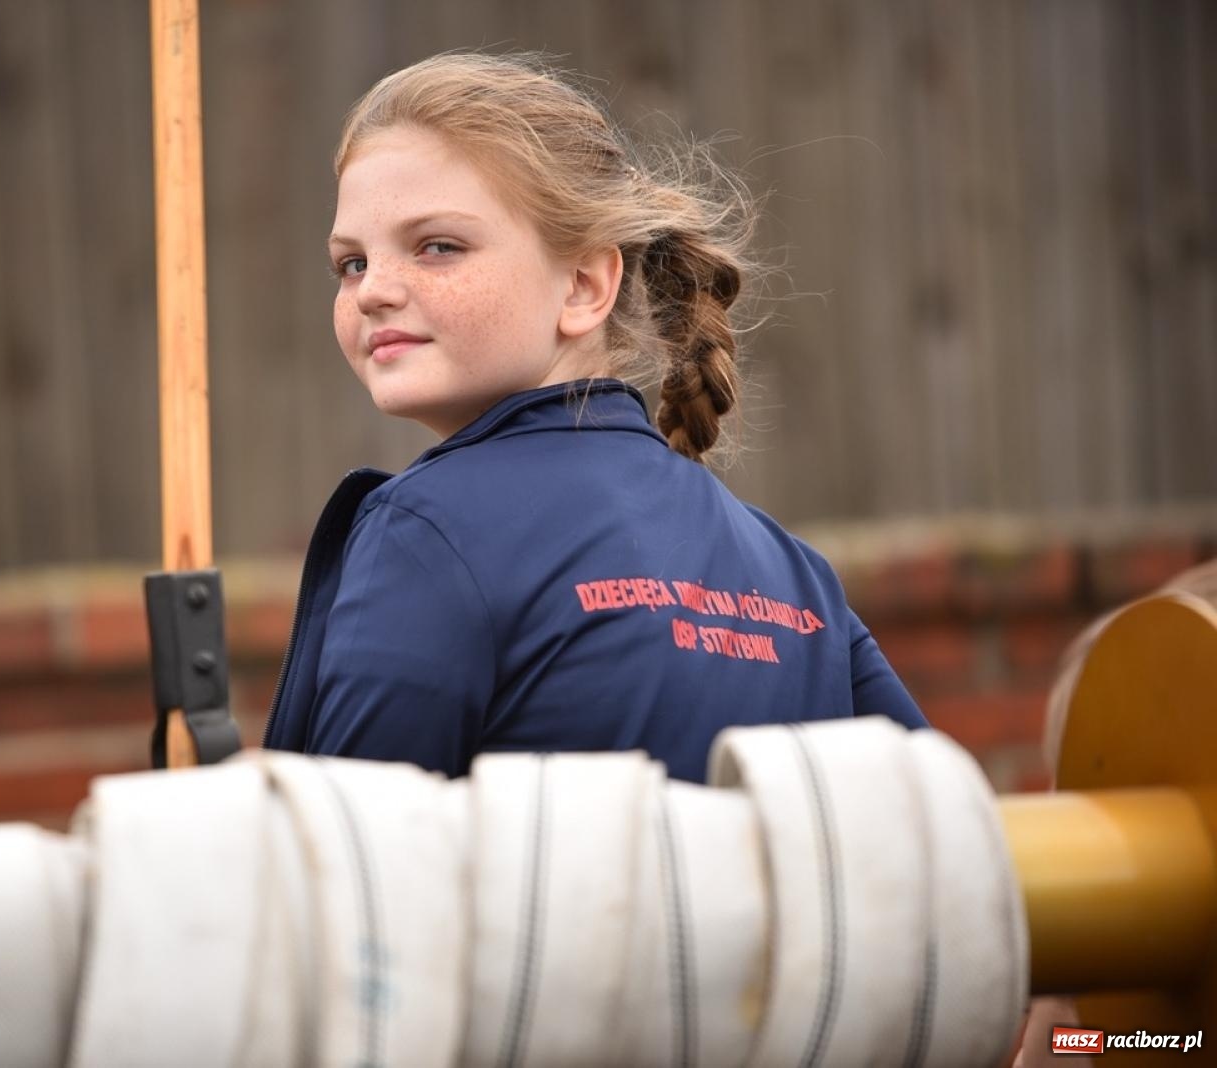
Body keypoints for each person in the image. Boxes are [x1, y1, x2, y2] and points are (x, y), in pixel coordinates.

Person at [262, 52, 926, 782]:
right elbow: (932, 823)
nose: (372, 291)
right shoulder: (794, 577)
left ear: (584, 285)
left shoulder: (426, 531)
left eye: (438, 247)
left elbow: (347, 859)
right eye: (350, 263)